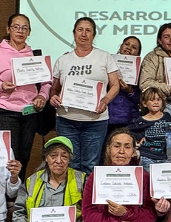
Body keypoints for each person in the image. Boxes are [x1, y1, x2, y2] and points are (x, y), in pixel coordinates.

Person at [0, 13, 51, 172]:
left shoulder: (34, 55)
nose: (20, 31)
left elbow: (46, 83)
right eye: (16, 27)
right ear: (8, 29)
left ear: (29, 32)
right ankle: (8, 188)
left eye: (25, 28)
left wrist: (42, 96)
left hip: (30, 111)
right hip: (5, 110)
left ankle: (18, 187)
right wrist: (0, 86)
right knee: (10, 157)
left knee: (24, 156)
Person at [50, 16, 121, 173]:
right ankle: (74, 191)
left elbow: (115, 85)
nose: (83, 34)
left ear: (94, 34)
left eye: (88, 30)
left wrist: (105, 100)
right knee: (70, 165)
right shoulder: (63, 60)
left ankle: (87, 190)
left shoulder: (104, 57)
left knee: (91, 165)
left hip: (95, 121)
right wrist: (53, 97)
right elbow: (54, 89)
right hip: (66, 121)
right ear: (74, 33)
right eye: (80, 30)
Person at [138, 22, 171, 149]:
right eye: (166, 37)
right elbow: (145, 83)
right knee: (159, 148)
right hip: (164, 107)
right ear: (159, 40)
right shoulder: (152, 57)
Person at [129, 87, 171, 168]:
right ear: (144, 103)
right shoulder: (140, 120)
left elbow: (168, 129)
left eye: (158, 99)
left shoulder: (167, 116)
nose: (156, 102)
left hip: (163, 156)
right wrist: (139, 137)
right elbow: (127, 131)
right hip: (146, 156)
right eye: (152, 100)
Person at [108, 36, 143, 127]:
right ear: (121, 47)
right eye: (127, 44)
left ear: (138, 53)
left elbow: (142, 99)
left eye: (134, 47)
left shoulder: (141, 71)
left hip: (129, 118)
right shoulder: (107, 63)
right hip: (106, 116)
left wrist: (130, 91)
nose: (129, 48)